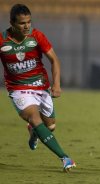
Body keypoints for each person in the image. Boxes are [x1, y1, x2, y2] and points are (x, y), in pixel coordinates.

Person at [0, 4, 76, 172]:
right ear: (11, 23)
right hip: (18, 89)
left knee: (50, 127)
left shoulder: (37, 36)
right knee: (35, 118)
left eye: (29, 22)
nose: (27, 26)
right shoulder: (2, 40)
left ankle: (34, 131)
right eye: (22, 23)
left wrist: (56, 84)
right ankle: (65, 158)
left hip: (41, 87)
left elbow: (54, 60)